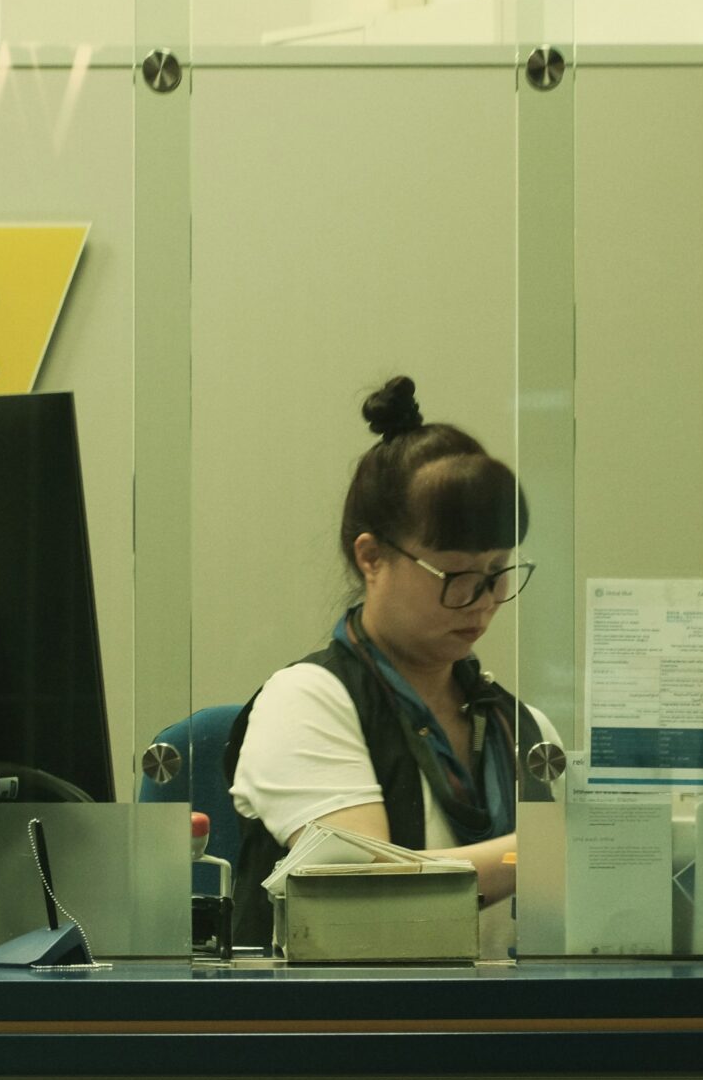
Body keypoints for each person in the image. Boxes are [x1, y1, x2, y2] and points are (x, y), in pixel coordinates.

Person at [223, 376, 553, 949]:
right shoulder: (306, 700)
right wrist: (549, 852)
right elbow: (368, 894)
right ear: (372, 557)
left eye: (498, 573)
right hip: (350, 1023)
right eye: (454, 577)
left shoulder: (522, 728)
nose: (481, 602)